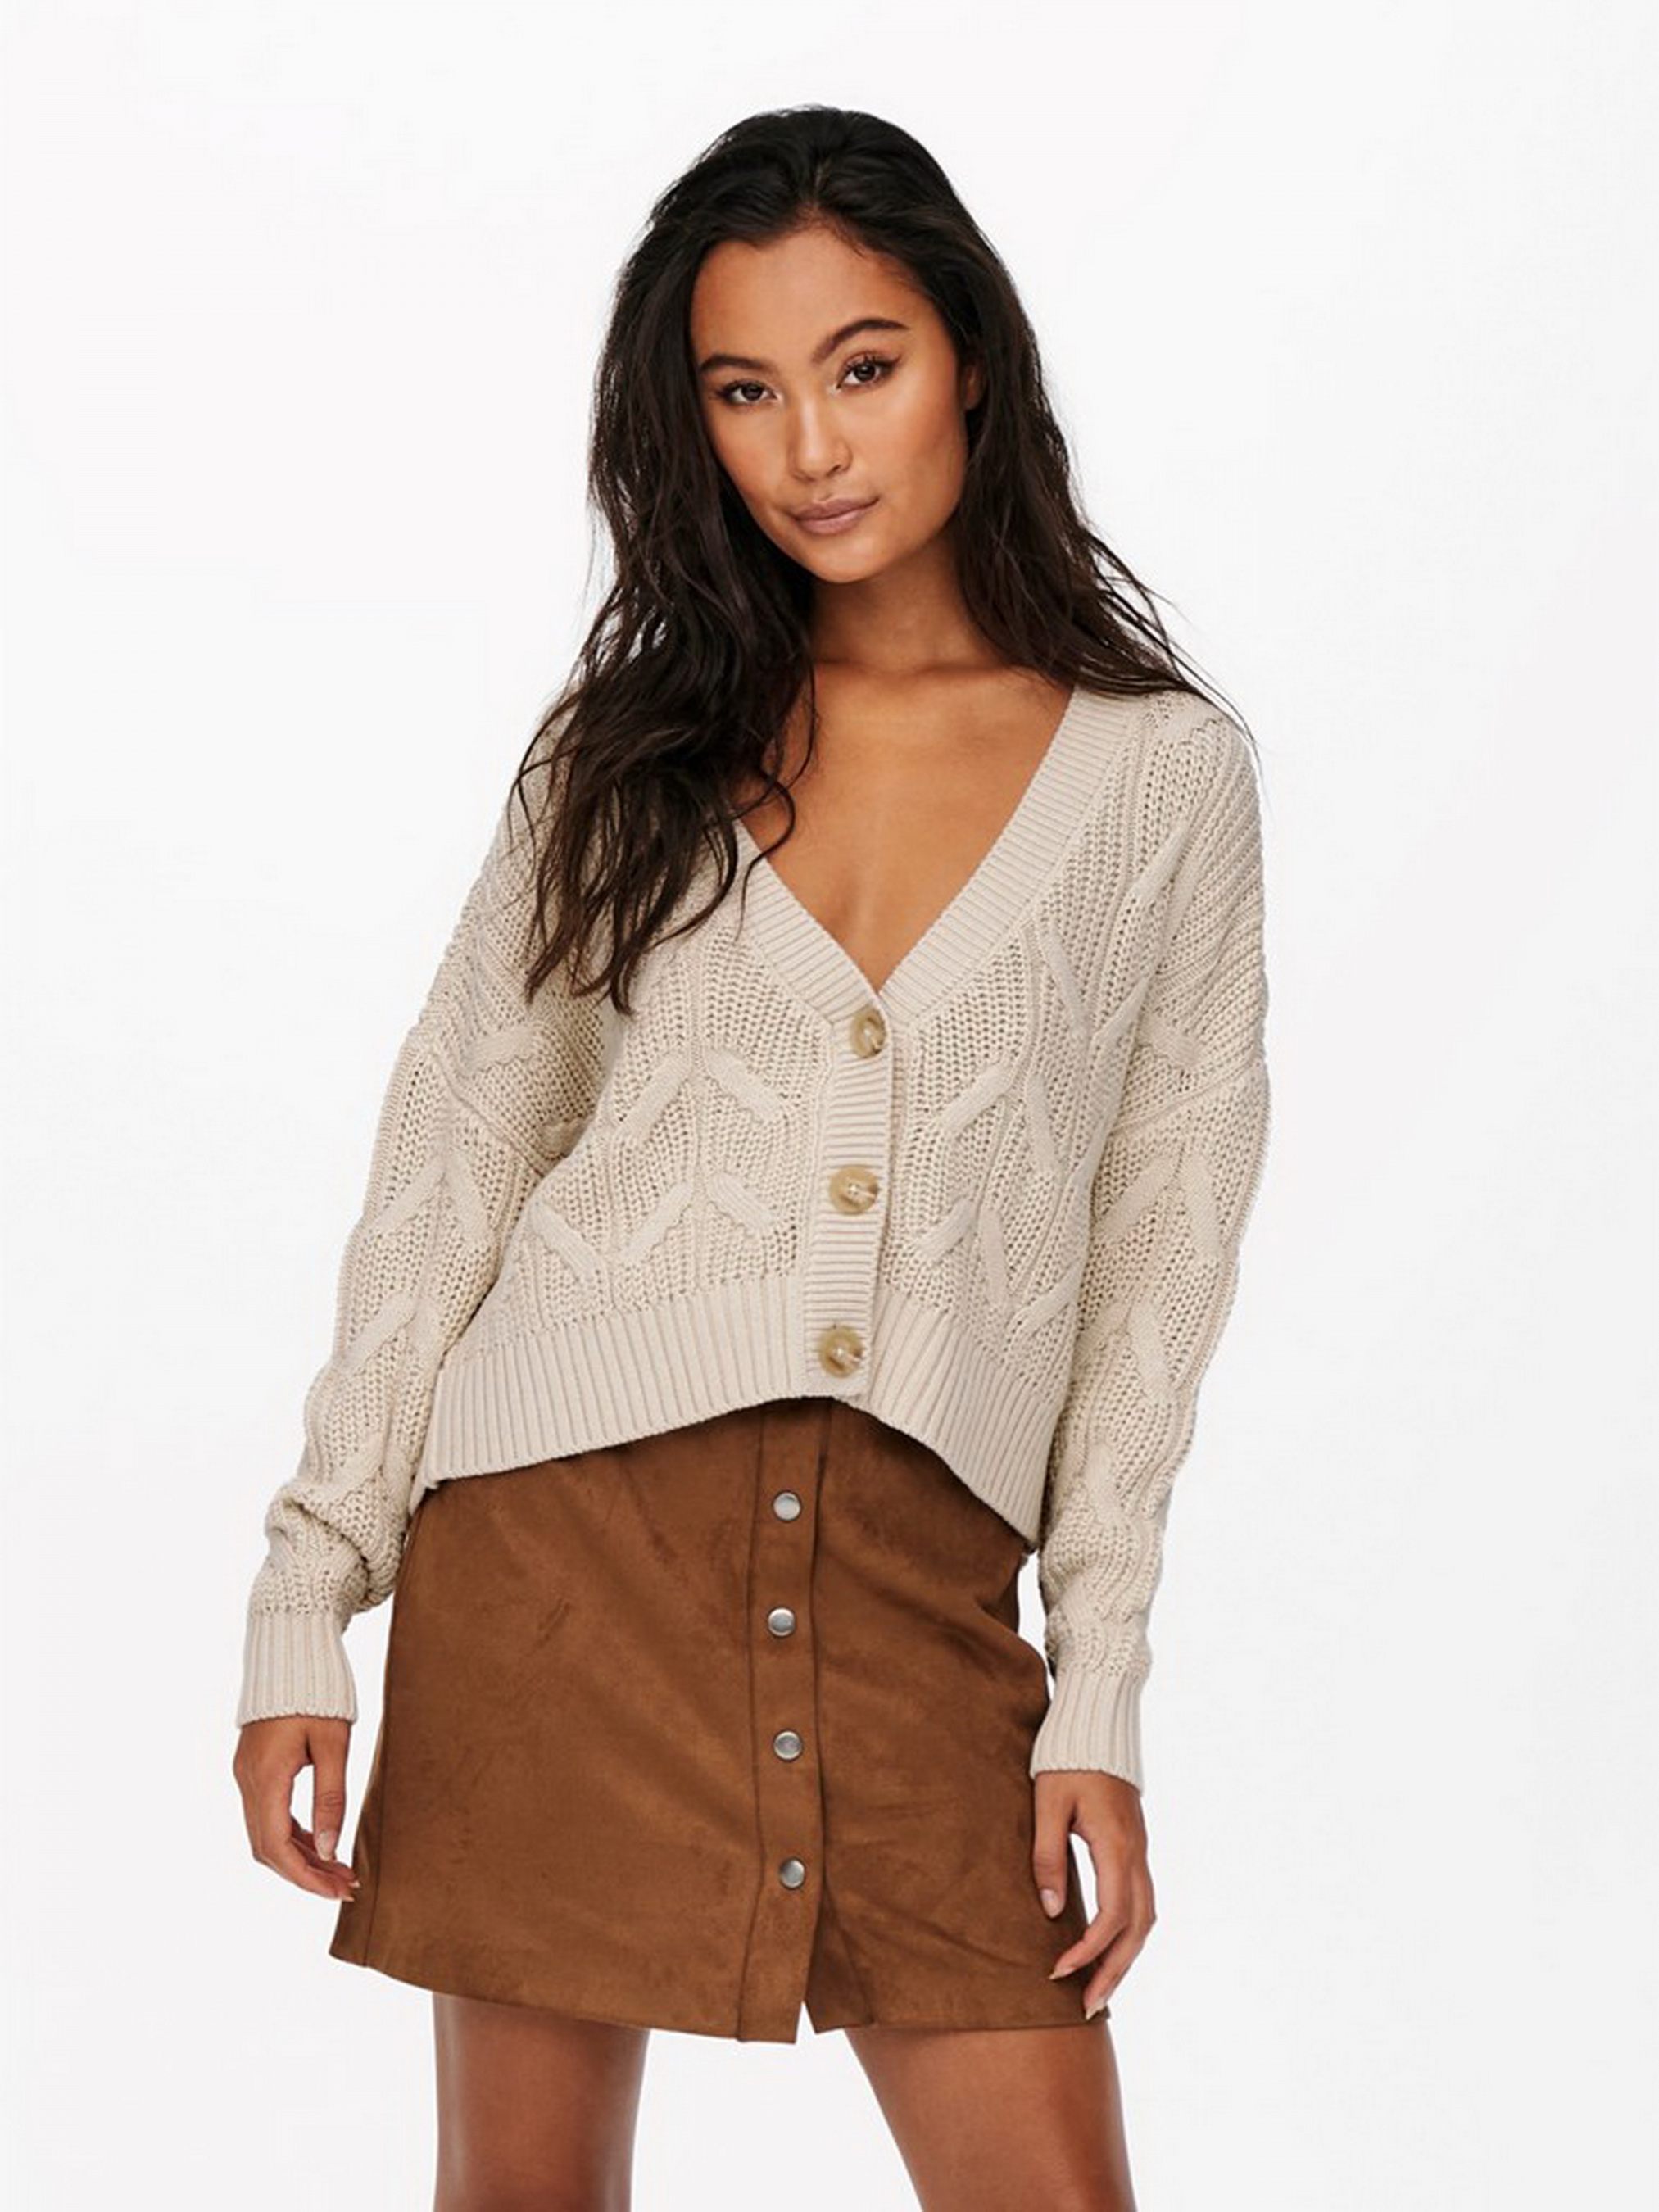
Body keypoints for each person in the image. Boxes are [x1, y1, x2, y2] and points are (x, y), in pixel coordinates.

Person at [231, 102, 1271, 2212]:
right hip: (557, 1564)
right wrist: (305, 1596)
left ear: (968, 355)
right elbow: (455, 1160)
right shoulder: (622, 756)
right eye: (742, 389)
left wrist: (1097, 1689)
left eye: (859, 365)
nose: (808, 445)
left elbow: (1157, 1258)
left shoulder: (1162, 784)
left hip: (913, 1586)